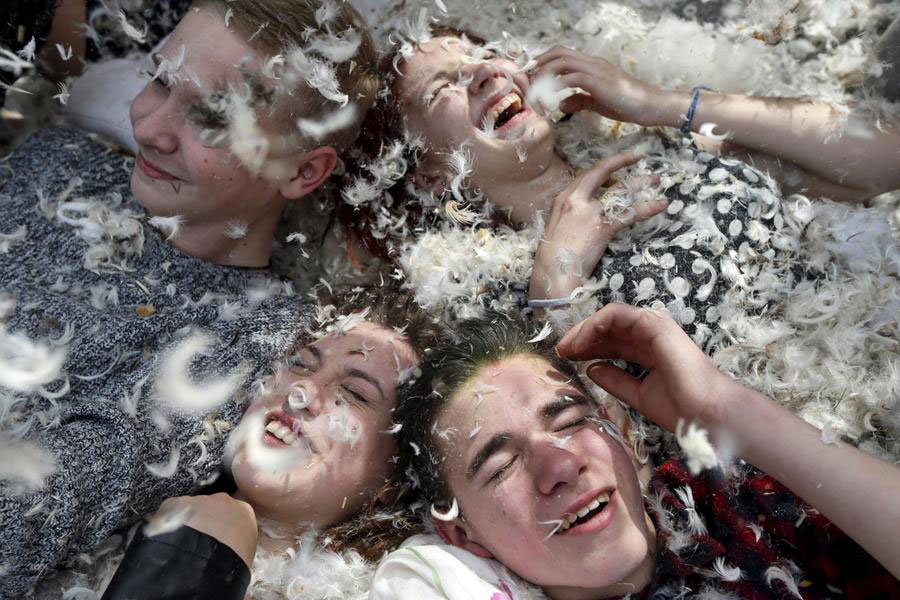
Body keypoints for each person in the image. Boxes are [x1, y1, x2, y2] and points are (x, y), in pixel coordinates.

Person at [0, 1, 379, 596]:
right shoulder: (60, 160)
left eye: (211, 116)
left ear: (304, 172)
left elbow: (23, 521)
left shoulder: (244, 342)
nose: (149, 127)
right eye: (159, 80)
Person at [341, 26, 900, 333]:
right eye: (443, 89)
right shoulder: (481, 296)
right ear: (429, 175)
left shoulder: (645, 144)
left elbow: (879, 165)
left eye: (482, 55)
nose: (486, 71)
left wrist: (657, 102)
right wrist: (555, 285)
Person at [372, 306, 900, 599]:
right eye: (500, 464)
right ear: (464, 535)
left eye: (572, 421)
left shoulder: (729, 497)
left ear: (619, 432)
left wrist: (726, 409)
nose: (560, 465)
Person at [96, 288, 440, 600]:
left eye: (355, 393)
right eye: (301, 365)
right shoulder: (111, 511)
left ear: (394, 482)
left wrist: (196, 560)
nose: (303, 392)